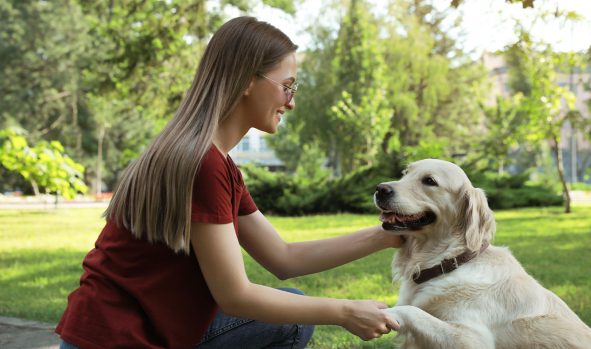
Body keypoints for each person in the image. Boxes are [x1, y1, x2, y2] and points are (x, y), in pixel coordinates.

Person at [56, 16, 402, 349]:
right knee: (295, 317)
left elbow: (283, 258)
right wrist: (342, 311)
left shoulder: (211, 160)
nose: (291, 102)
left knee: (294, 309)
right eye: (287, 86)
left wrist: (387, 235)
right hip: (120, 339)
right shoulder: (202, 164)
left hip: (113, 331)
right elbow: (235, 296)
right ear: (248, 80)